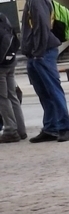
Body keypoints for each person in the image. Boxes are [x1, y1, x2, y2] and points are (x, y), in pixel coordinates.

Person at [15, 0, 69, 143]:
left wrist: (38, 53)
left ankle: (64, 127)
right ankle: (51, 127)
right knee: (44, 92)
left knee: (53, 91)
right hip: (37, 54)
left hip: (43, 53)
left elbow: (41, 27)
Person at [0, 11, 26, 142]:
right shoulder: (3, 17)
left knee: (2, 98)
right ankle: (21, 130)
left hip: (1, 66)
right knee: (13, 96)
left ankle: (10, 130)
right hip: (11, 62)